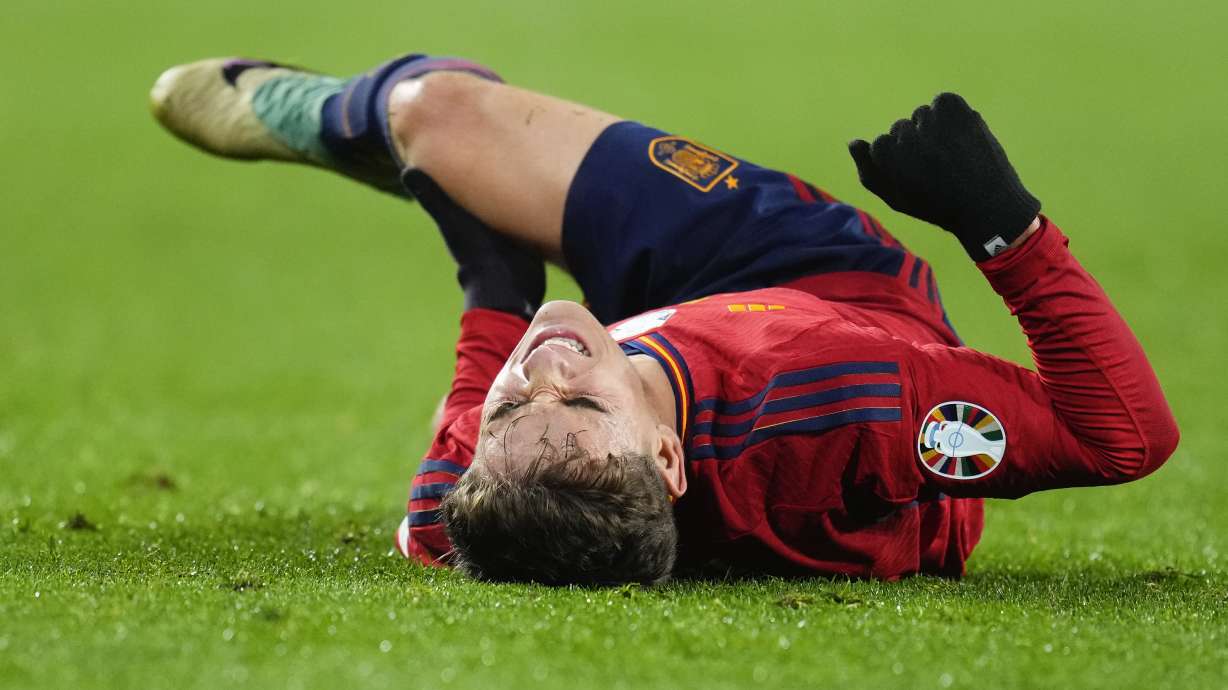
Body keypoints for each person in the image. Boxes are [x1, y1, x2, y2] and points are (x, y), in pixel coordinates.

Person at [150, 52, 1179, 585]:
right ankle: (422, 134)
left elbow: (481, 424)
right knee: (446, 113)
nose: (540, 369)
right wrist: (1003, 226)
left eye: (510, 414)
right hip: (817, 284)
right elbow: (1123, 435)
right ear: (668, 459)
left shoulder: (491, 494)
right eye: (578, 396)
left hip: (661, 333)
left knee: (439, 114)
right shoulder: (850, 404)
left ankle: (362, 123)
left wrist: (493, 284)